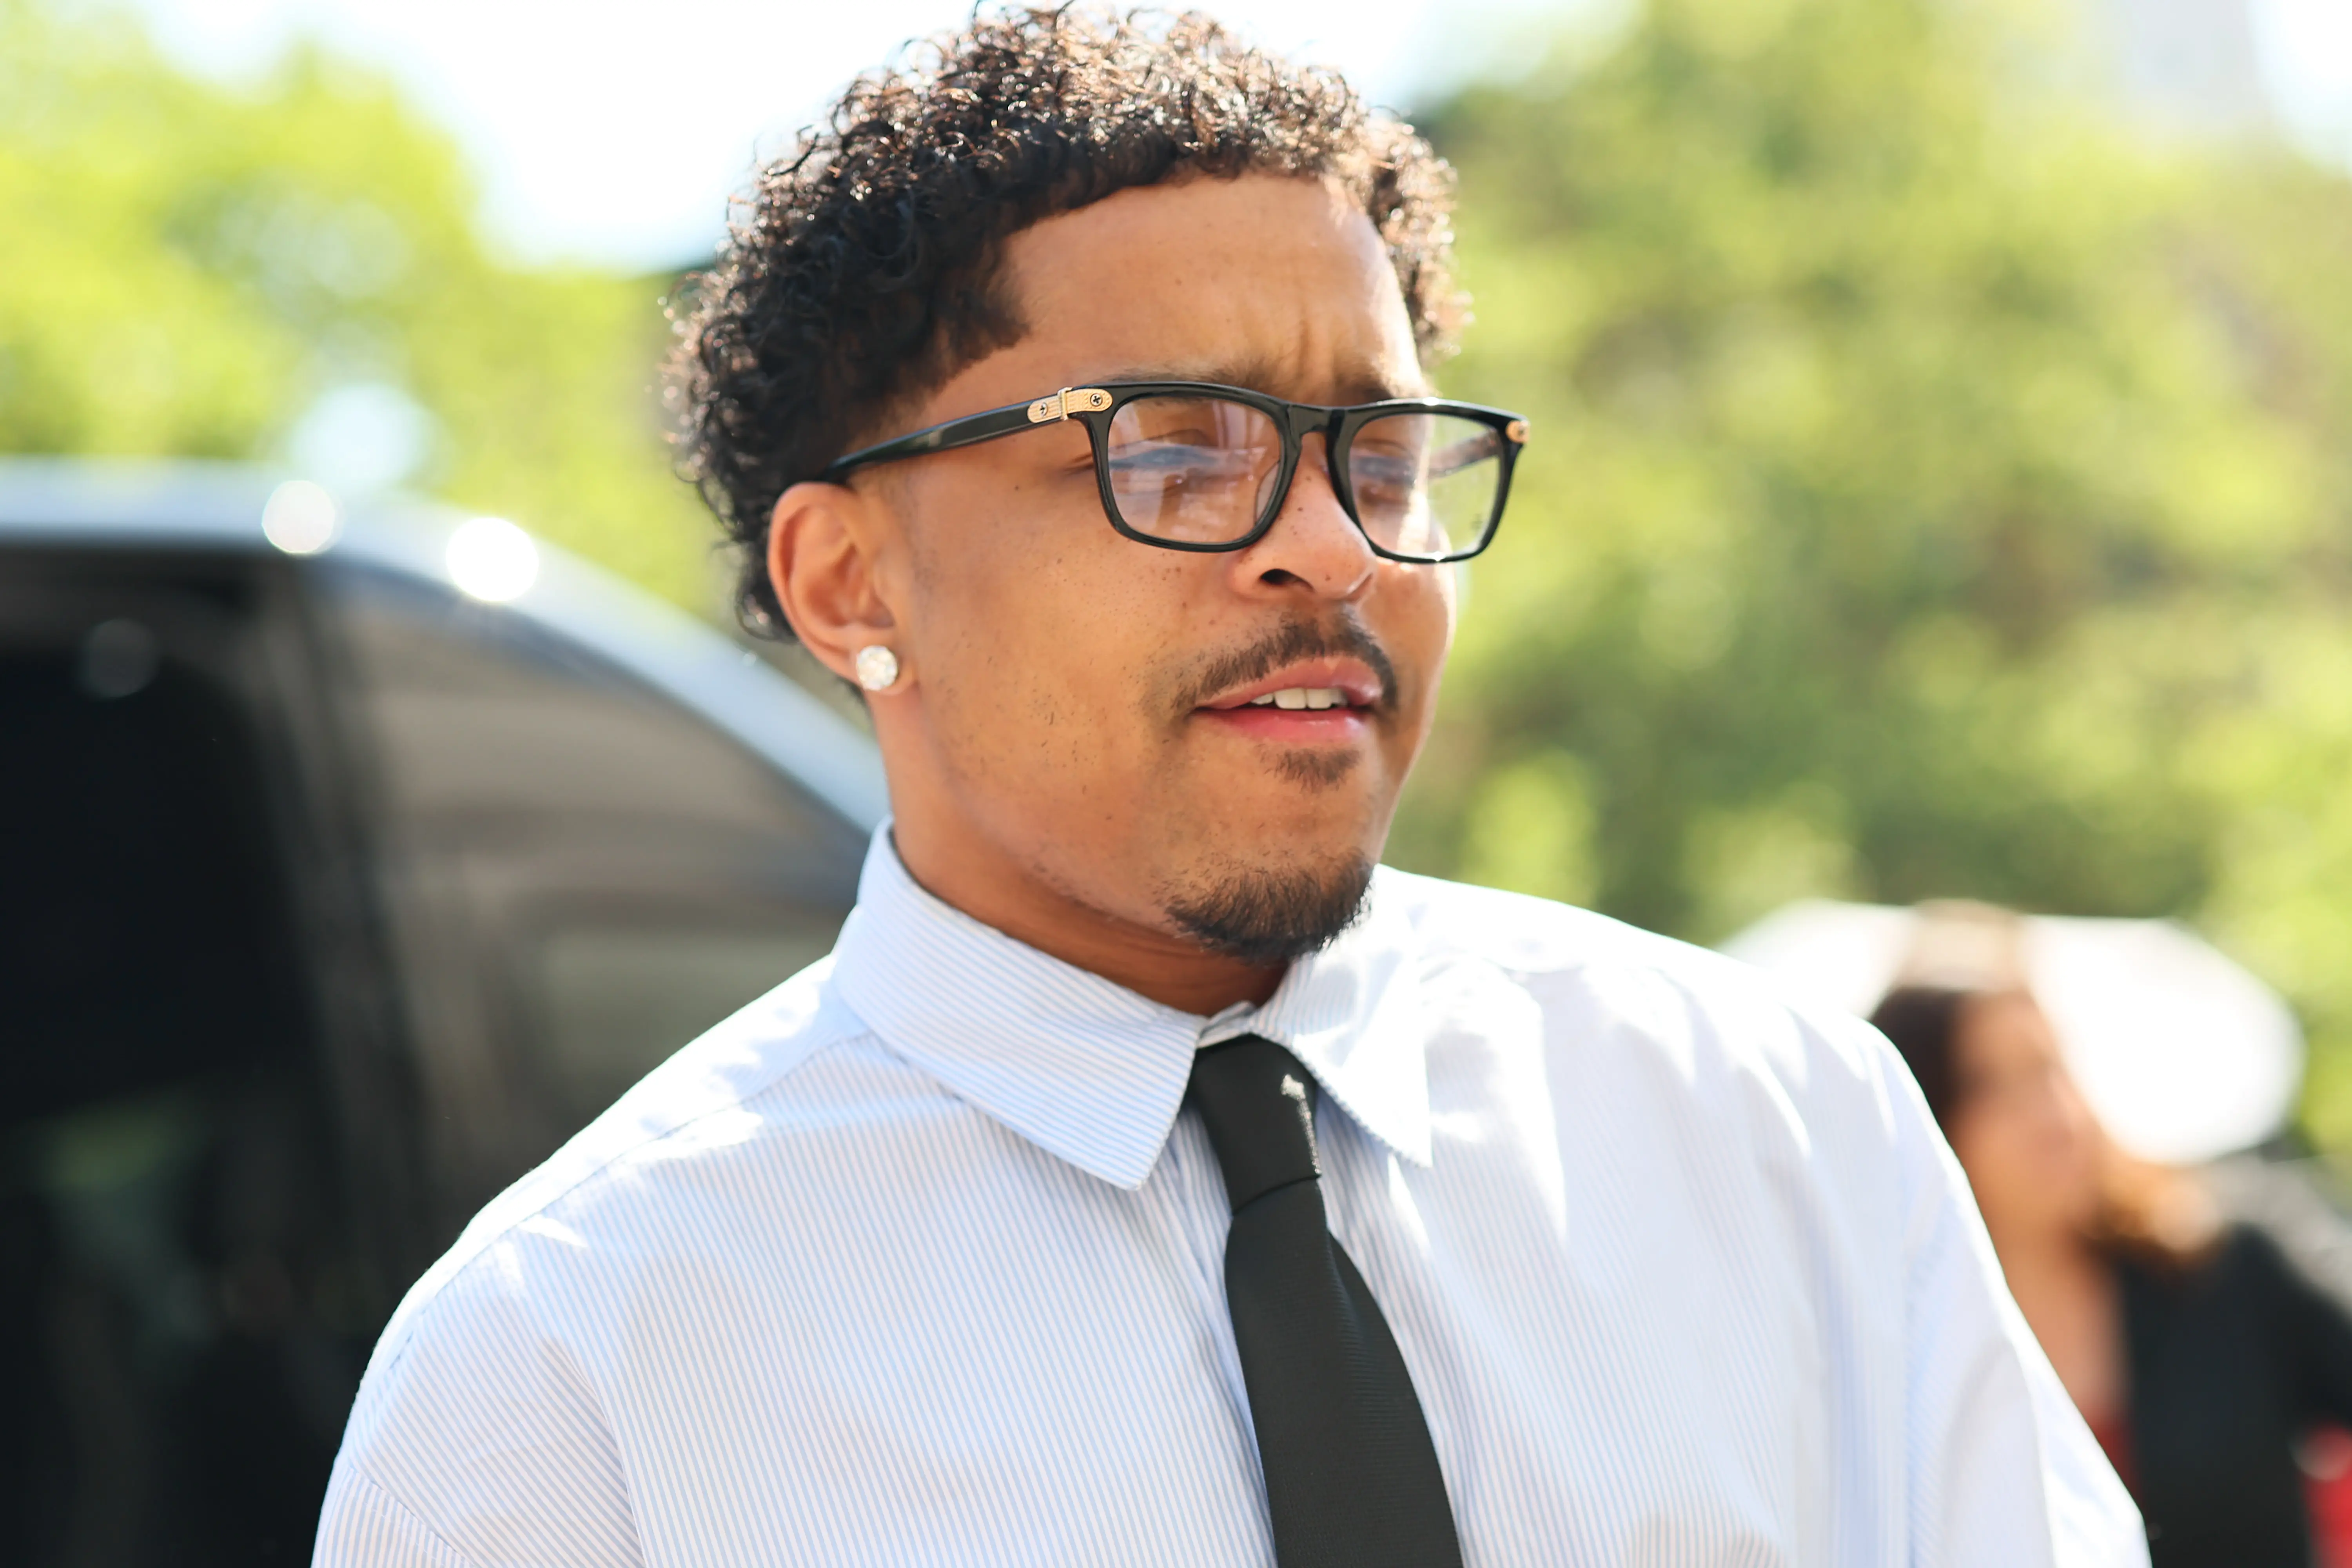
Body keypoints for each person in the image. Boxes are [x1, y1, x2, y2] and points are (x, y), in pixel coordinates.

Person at [312, 11, 2141, 1565]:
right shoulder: (573, 1369)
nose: (1334, 548)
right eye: (1177, 452)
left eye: (1384, 455)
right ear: (851, 585)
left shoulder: (1771, 1126)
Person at [1871, 907, 2352, 1568]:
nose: (2051, 1115)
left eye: (2050, 1067)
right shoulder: (1891, 1341)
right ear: (1926, 1118)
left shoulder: (2224, 1259)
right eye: (1991, 1087)